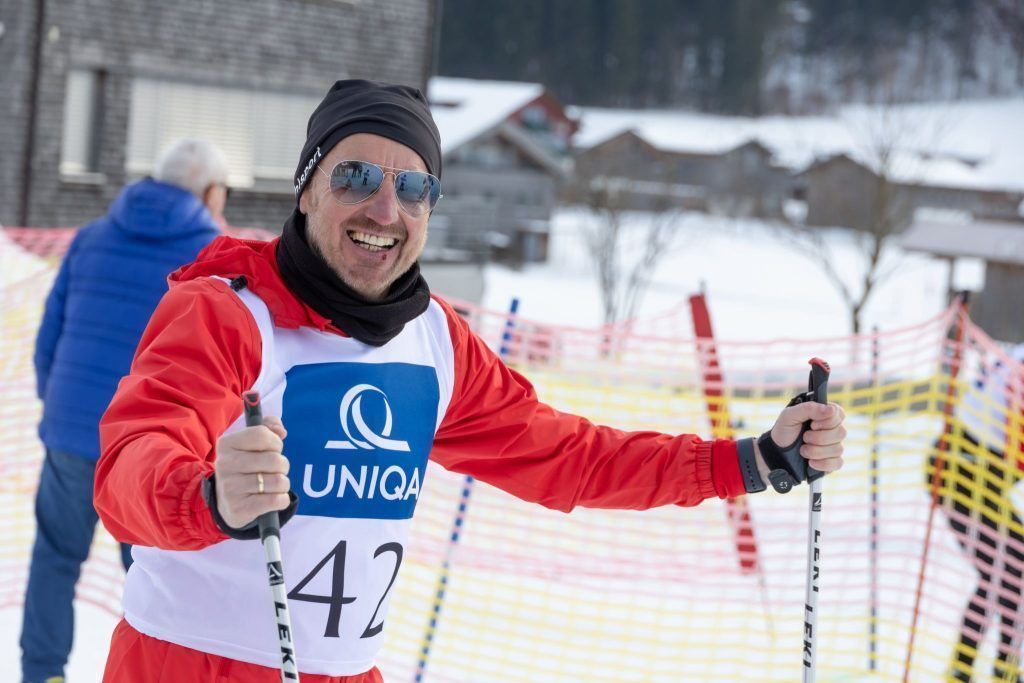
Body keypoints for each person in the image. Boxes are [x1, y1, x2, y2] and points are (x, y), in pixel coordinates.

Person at [94, 80, 847, 682]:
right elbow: (130, 464)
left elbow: (572, 456)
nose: (384, 209)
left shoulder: (435, 342)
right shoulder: (226, 314)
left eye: (414, 187)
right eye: (355, 176)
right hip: (185, 663)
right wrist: (207, 496)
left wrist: (749, 460)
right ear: (306, 189)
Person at [22, 139, 227, 683]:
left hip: (71, 430)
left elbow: (49, 339)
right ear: (209, 192)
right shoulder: (211, 254)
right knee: (152, 575)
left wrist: (63, 410)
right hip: (149, 446)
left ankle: (41, 674)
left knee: (55, 557)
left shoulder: (91, 237)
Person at [932, 347, 1024, 683]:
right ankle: (995, 669)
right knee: (1010, 571)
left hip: (970, 469)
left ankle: (978, 667)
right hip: (965, 472)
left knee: (1006, 573)